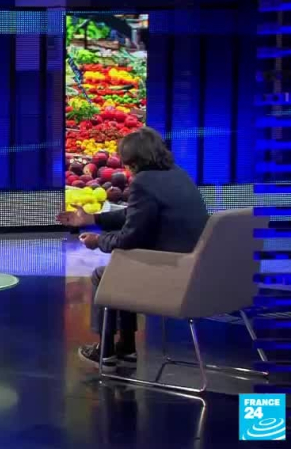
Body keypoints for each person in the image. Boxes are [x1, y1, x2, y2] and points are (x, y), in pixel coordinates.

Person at [57, 126, 209, 372]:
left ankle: (105, 351)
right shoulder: (178, 175)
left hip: (173, 276)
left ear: (135, 161)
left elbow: (130, 239)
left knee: (105, 275)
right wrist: (93, 219)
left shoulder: (144, 183)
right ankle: (126, 348)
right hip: (193, 270)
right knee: (124, 268)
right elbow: (134, 214)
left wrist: (98, 241)